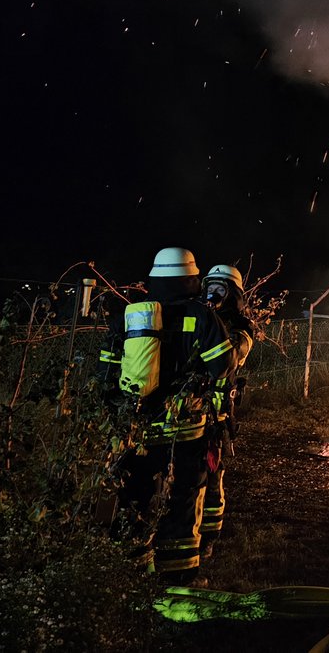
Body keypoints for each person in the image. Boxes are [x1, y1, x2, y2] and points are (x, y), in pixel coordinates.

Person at [99, 247, 234, 583]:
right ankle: (179, 581)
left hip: (137, 432)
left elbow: (105, 376)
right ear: (192, 279)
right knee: (182, 503)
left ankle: (130, 579)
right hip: (184, 433)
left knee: (134, 501)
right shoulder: (202, 316)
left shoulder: (130, 316)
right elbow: (223, 367)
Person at [198, 263, 254, 558]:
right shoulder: (198, 317)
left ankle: (208, 537)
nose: (213, 293)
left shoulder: (241, 328)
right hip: (189, 411)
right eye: (210, 287)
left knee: (212, 476)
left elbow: (230, 358)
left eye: (220, 288)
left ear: (233, 294)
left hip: (216, 415)